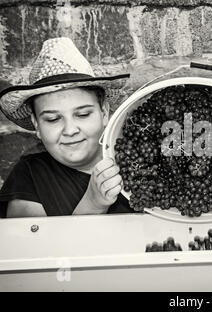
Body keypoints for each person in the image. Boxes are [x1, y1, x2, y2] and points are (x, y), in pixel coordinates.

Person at [0, 37, 135, 217]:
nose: (70, 130)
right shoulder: (30, 176)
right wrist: (93, 204)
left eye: (82, 114)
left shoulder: (140, 164)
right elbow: (32, 245)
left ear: (104, 113)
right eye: (53, 119)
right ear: (36, 125)